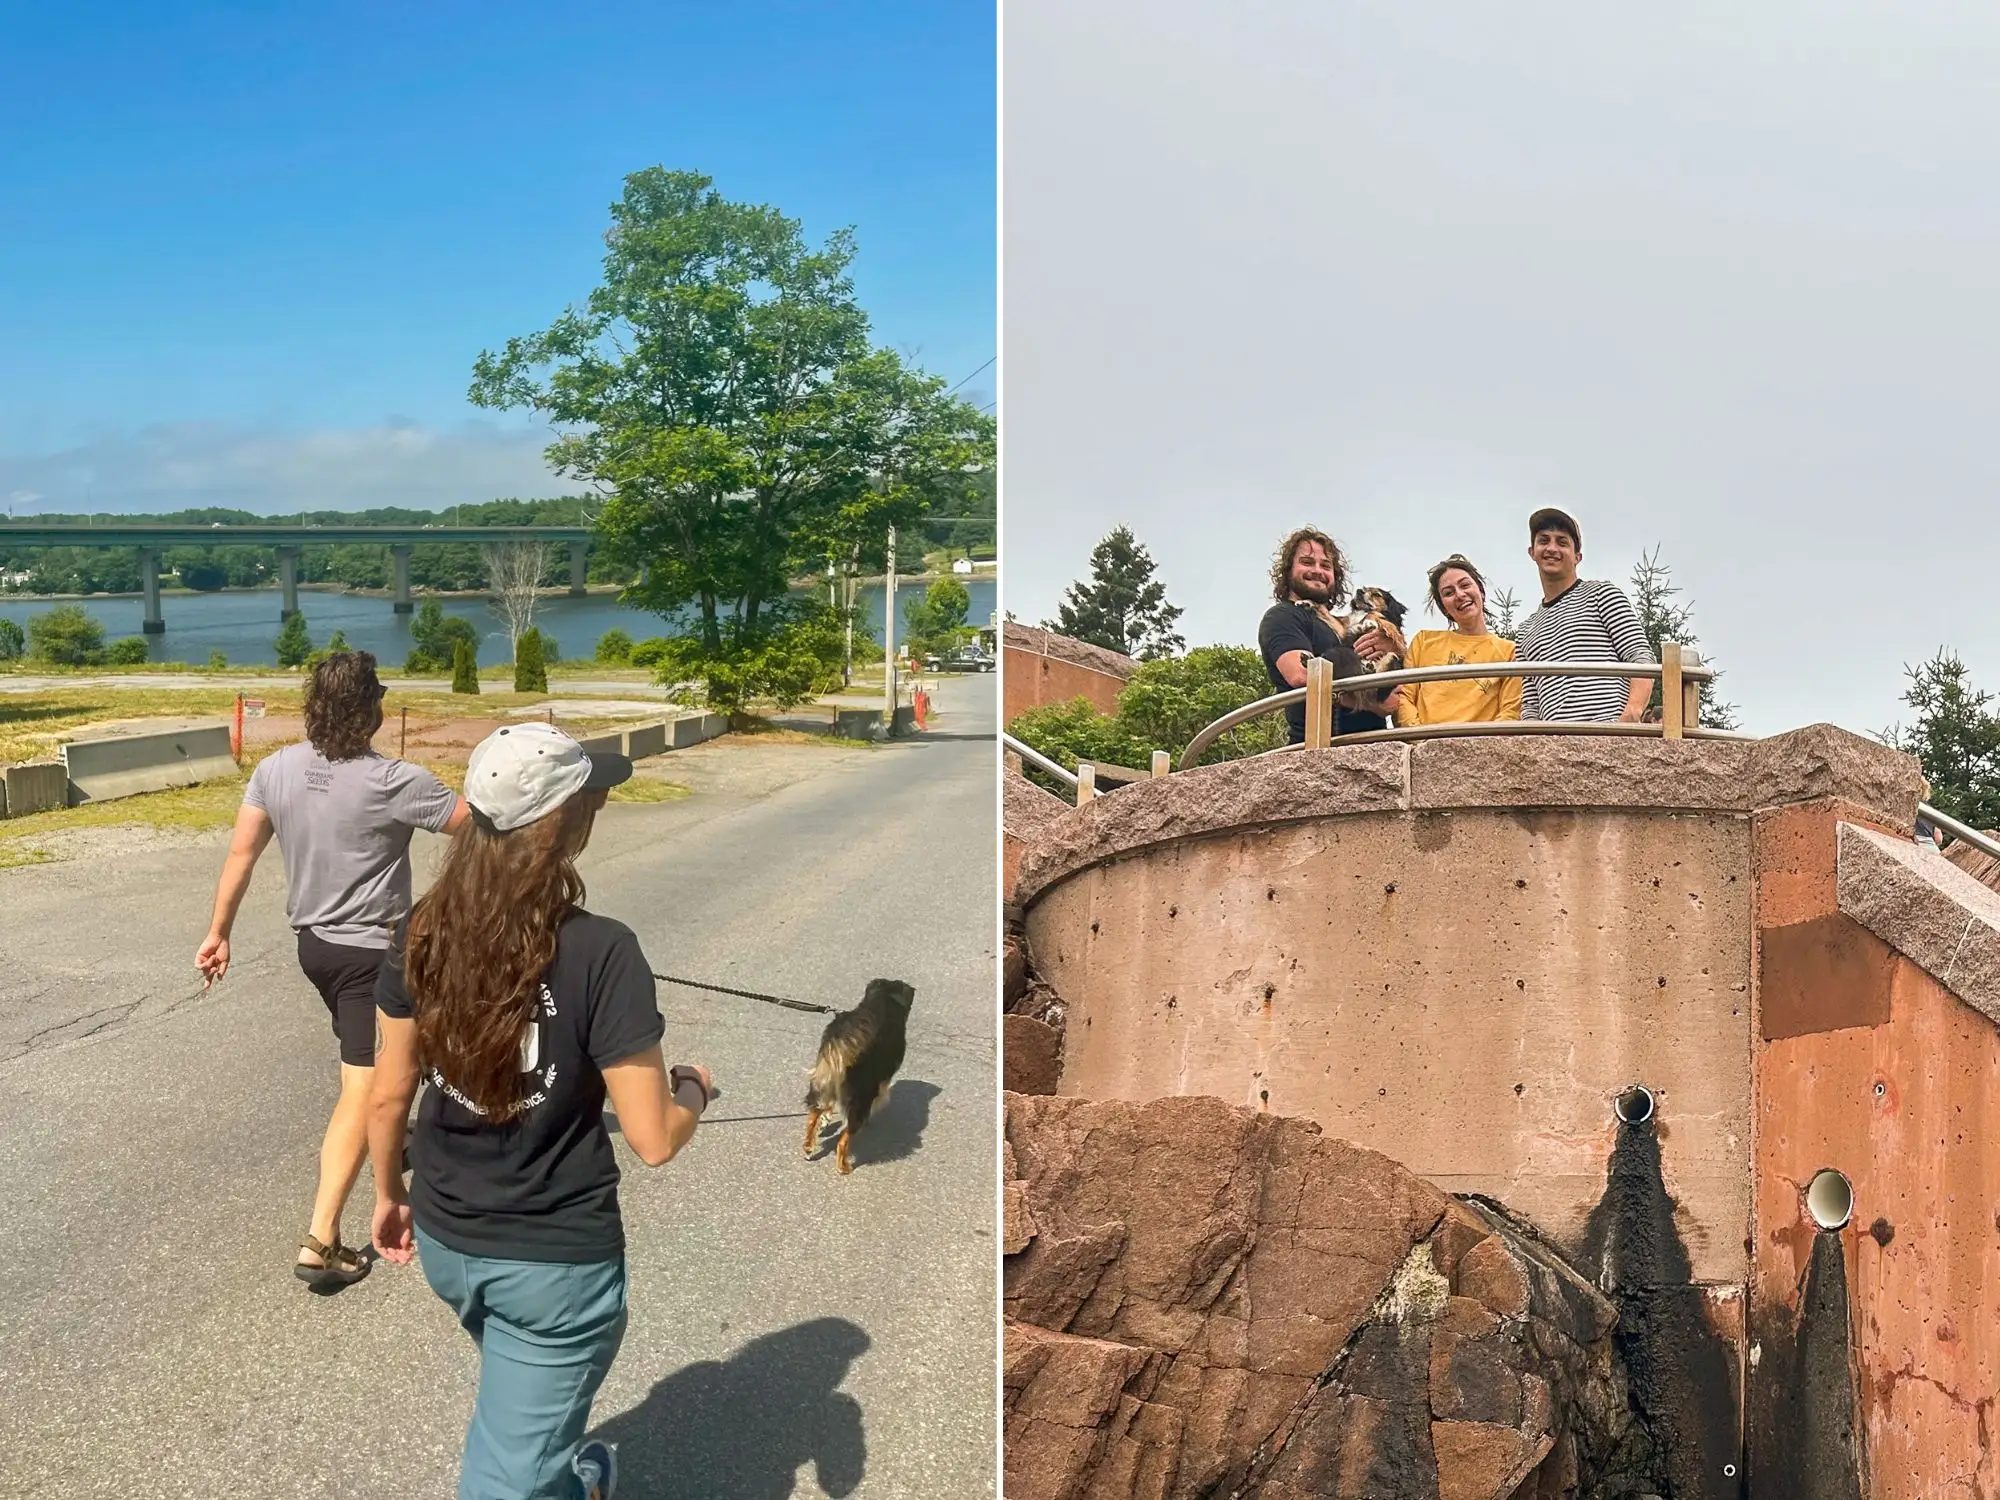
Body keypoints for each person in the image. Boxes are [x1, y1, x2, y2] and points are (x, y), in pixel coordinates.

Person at [369, 721, 713, 1500]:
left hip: (446, 1239)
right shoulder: (603, 951)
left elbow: (390, 1090)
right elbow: (654, 1138)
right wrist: (693, 1087)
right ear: (568, 820)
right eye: (592, 796)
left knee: (523, 1434)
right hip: (552, 1267)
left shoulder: (418, 930)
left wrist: (388, 1194)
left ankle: (568, 1475)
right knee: (505, 1478)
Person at [196, 650, 468, 1289]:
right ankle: (322, 1239)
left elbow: (242, 853)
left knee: (409, 1052)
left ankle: (394, 1138)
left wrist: (218, 933)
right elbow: (481, 831)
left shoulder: (276, 768)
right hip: (371, 957)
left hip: (315, 948)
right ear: (372, 709)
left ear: (313, 706)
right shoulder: (397, 779)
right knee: (363, 1084)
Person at [1513, 508, 1656, 723]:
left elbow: (1640, 657)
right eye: (1544, 540)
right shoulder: (1525, 630)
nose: (1552, 548)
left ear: (1577, 556)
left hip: (1608, 731)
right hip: (1555, 744)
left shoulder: (1601, 595)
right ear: (1532, 551)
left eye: (1562, 542)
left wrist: (1631, 713)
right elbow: (1531, 703)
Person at [1257, 527, 1400, 741]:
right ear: (1288, 570)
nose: (1317, 570)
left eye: (1325, 565)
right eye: (1307, 562)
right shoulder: (1283, 616)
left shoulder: (1341, 624)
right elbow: (1303, 675)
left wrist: (1389, 647)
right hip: (1322, 747)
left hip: (1375, 745)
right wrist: (1373, 704)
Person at [1397, 554, 1523, 726]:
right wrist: (1420, 740)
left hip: (1482, 747)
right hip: (1425, 745)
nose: (1459, 595)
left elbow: (1510, 711)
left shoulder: (1509, 651)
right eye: (1448, 593)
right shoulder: (1423, 641)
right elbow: (1403, 697)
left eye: (1465, 585)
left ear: (1481, 591)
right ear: (1444, 608)